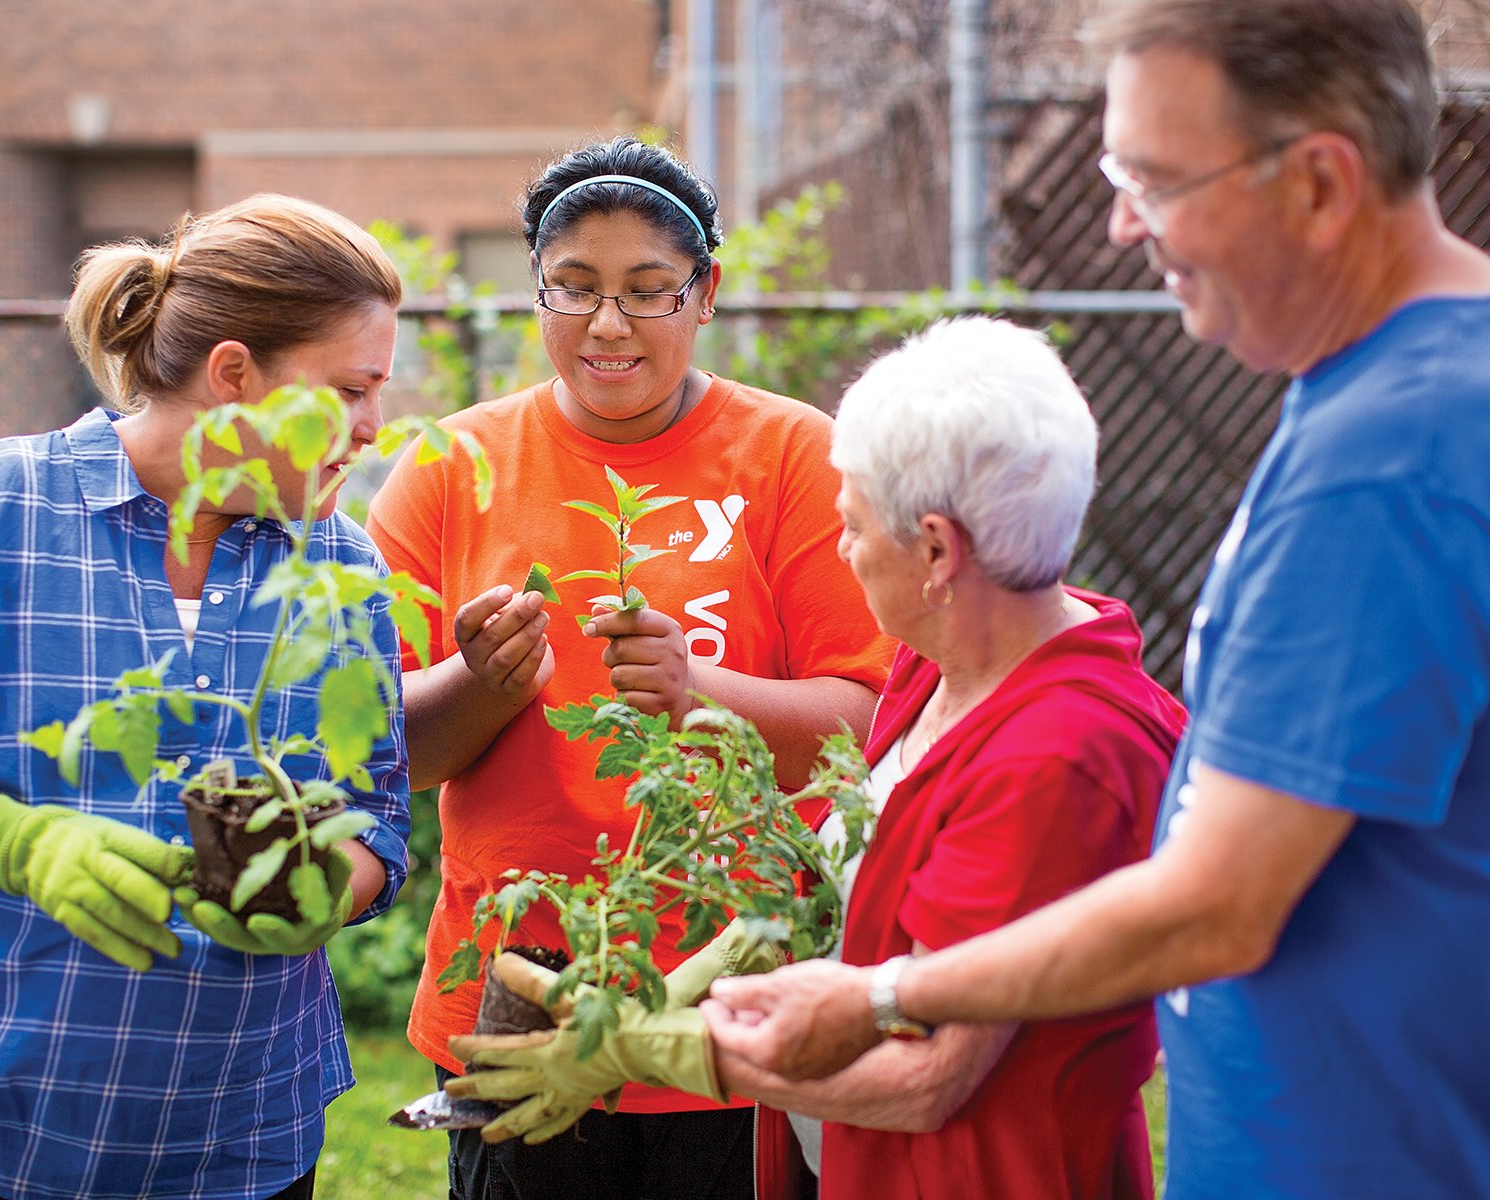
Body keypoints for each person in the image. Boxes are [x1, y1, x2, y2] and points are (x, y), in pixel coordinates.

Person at [701, 3, 1490, 1198]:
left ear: (1321, 184)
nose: (1123, 222)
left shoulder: (1403, 456)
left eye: (1156, 179)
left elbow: (1216, 904)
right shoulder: (1455, 379)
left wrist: (880, 992)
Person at [444, 315, 1186, 1200]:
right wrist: (712, 974)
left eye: (856, 527)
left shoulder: (1059, 757)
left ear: (939, 552)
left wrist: (673, 1052)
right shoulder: (942, 663)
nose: (842, 550)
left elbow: (932, 1078)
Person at [0, 194, 412, 1200]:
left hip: (243, 1135)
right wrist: (24, 847)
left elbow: (377, 811)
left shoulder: (336, 565)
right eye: (352, 389)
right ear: (234, 376)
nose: (374, 428)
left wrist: (329, 889)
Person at [365, 135, 894, 1199]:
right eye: (576, 288)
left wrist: (702, 692)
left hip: (735, 990)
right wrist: (484, 683)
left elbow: (868, 725)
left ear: (706, 296)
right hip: (518, 992)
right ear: (536, 294)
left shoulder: (796, 457)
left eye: (649, 291)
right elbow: (396, 755)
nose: (609, 325)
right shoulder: (445, 470)